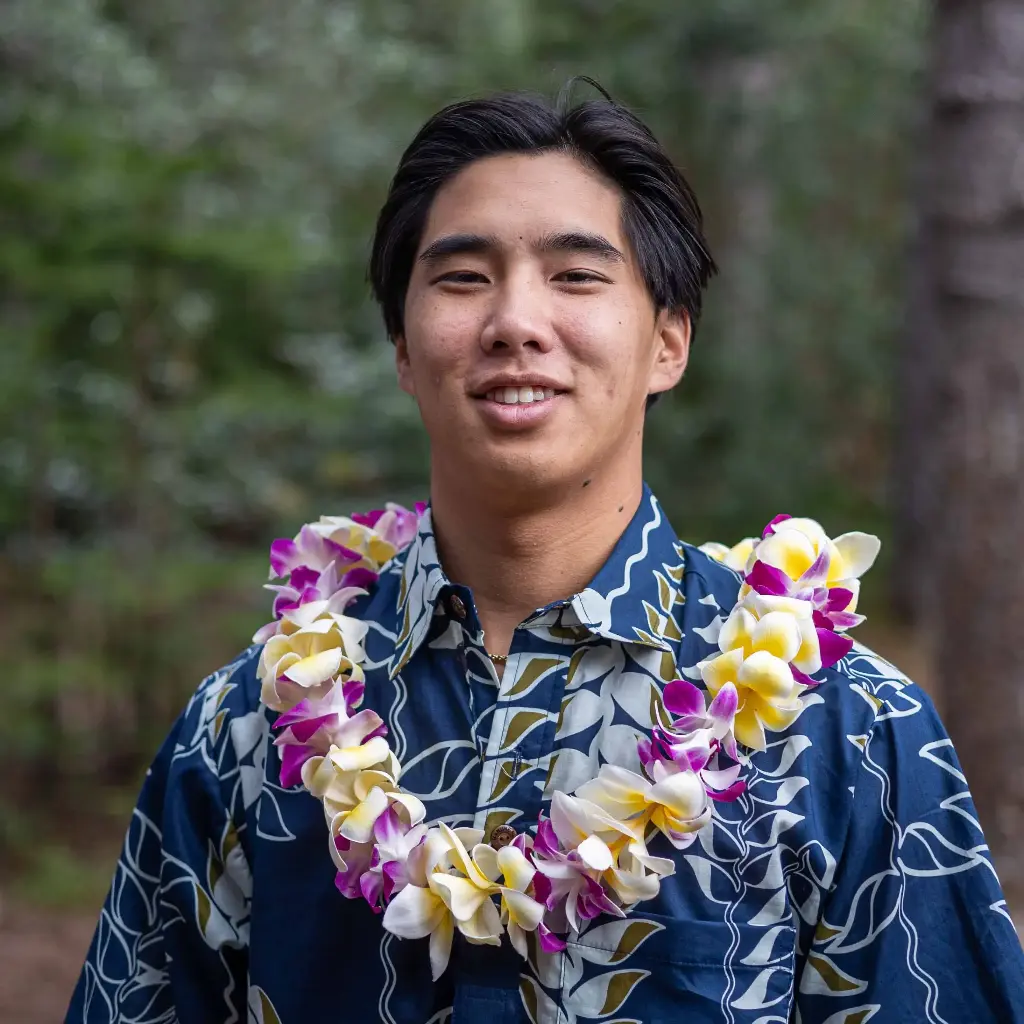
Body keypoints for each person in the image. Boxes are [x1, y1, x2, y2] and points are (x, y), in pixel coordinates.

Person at [67, 85, 1024, 1024]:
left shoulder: (844, 727)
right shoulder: (248, 725)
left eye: (576, 276)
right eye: (462, 277)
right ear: (404, 349)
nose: (516, 322)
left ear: (668, 343)